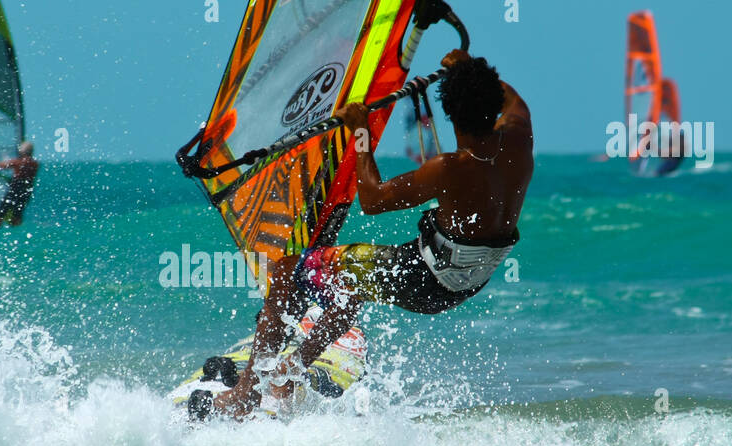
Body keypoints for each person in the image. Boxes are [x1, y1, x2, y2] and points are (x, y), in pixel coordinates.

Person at [212, 50, 533, 418]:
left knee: (286, 270)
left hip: (422, 279)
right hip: (467, 284)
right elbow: (515, 99)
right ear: (492, 103)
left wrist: (360, 131)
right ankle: (288, 371)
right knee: (351, 280)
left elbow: (373, 199)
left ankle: (247, 392)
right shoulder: (520, 137)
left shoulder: (452, 168)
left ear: (450, 115)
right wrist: (469, 70)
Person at [0, 140, 39, 227]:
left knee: (1, 212)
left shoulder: (18, 162)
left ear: (22, 151)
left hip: (15, 188)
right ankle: (17, 231)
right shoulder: (35, 164)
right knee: (18, 213)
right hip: (27, 190)